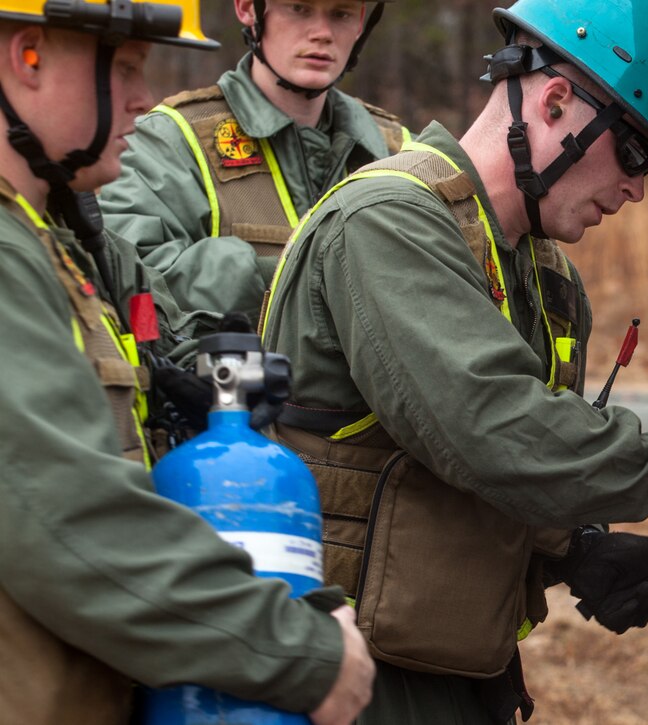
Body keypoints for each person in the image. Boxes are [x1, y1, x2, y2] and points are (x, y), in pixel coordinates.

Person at [260, 0, 648, 722]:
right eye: (633, 150)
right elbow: (492, 427)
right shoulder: (387, 223)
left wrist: (573, 549)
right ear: (556, 101)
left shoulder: (542, 277)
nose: (636, 188)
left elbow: (475, 465)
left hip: (458, 669)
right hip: (350, 675)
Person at [0, 2, 374, 722]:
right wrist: (299, 652)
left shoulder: (62, 240)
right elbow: (73, 527)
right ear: (28, 56)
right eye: (129, 66)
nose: (145, 97)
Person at [99, 0, 409, 326]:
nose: (322, 34)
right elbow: (134, 281)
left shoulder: (401, 150)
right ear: (248, 9)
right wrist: (300, 277)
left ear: (361, 22)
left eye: (340, 14)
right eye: (299, 8)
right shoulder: (167, 141)